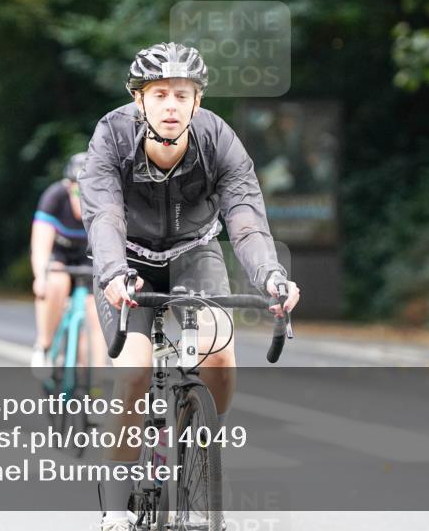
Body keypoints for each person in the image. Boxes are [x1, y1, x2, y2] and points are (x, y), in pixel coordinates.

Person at [78, 42, 301, 531]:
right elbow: (104, 215)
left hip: (192, 253)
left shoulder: (218, 139)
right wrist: (114, 273)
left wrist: (271, 275)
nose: (172, 105)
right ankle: (116, 508)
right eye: (160, 94)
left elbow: (244, 218)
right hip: (127, 262)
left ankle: (197, 440)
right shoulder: (111, 136)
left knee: (219, 354)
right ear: (141, 100)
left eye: (183, 94)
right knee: (134, 372)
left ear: (197, 101)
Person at [29, 153, 106, 370]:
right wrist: (39, 277)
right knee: (55, 282)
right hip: (59, 256)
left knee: (97, 309)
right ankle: (44, 345)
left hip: (88, 257)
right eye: (77, 192)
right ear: (67, 185)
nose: (82, 199)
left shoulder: (104, 203)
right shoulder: (54, 197)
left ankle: (96, 380)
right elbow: (40, 244)